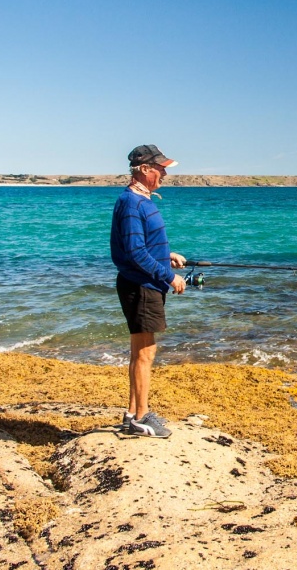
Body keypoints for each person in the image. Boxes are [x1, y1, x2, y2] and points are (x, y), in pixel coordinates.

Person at [110, 144, 187, 438]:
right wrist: (169, 276)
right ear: (144, 169)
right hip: (141, 286)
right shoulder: (132, 203)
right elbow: (134, 252)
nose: (165, 173)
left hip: (143, 283)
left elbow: (144, 246)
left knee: (138, 351)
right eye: (160, 168)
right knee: (145, 353)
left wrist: (167, 254)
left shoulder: (140, 201)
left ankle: (132, 413)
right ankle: (142, 419)